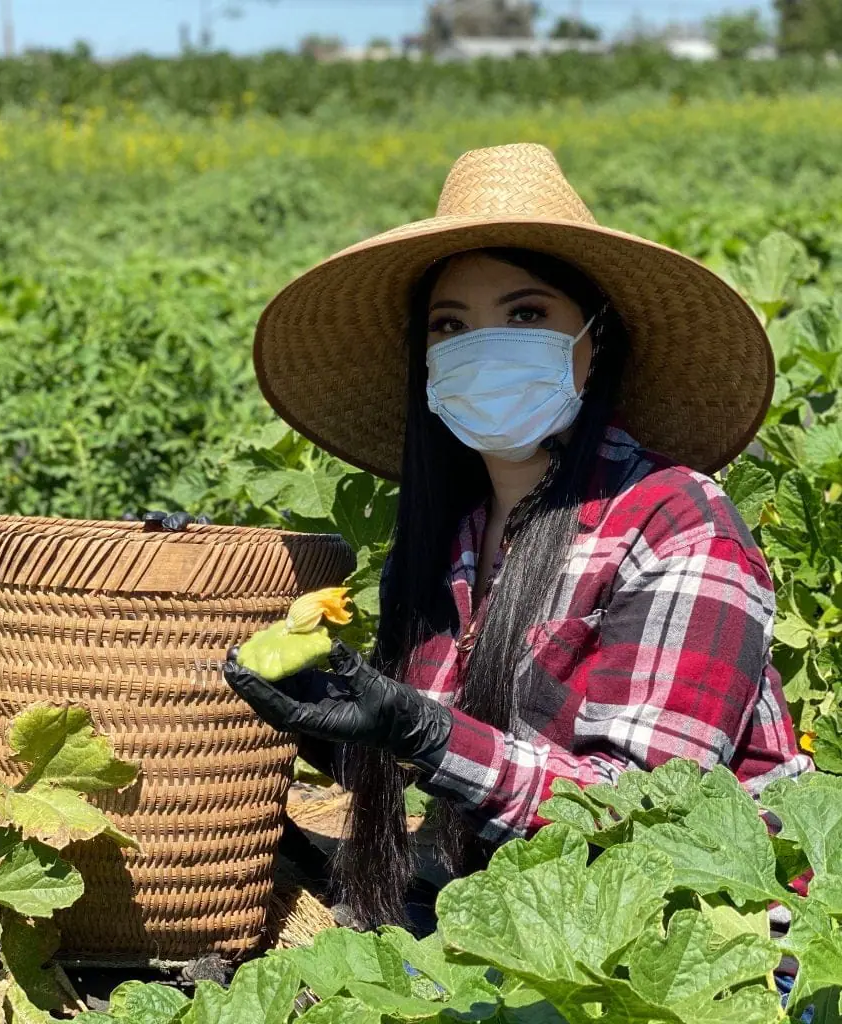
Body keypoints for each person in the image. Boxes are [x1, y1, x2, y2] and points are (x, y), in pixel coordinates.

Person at [223, 143, 812, 937]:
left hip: (714, 937)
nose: (483, 346)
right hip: (532, 905)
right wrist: (334, 726)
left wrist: (423, 731)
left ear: (594, 340)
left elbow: (642, 815)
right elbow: (461, 760)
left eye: (526, 315)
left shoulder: (676, 521)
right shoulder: (450, 538)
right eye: (450, 326)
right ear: (427, 363)